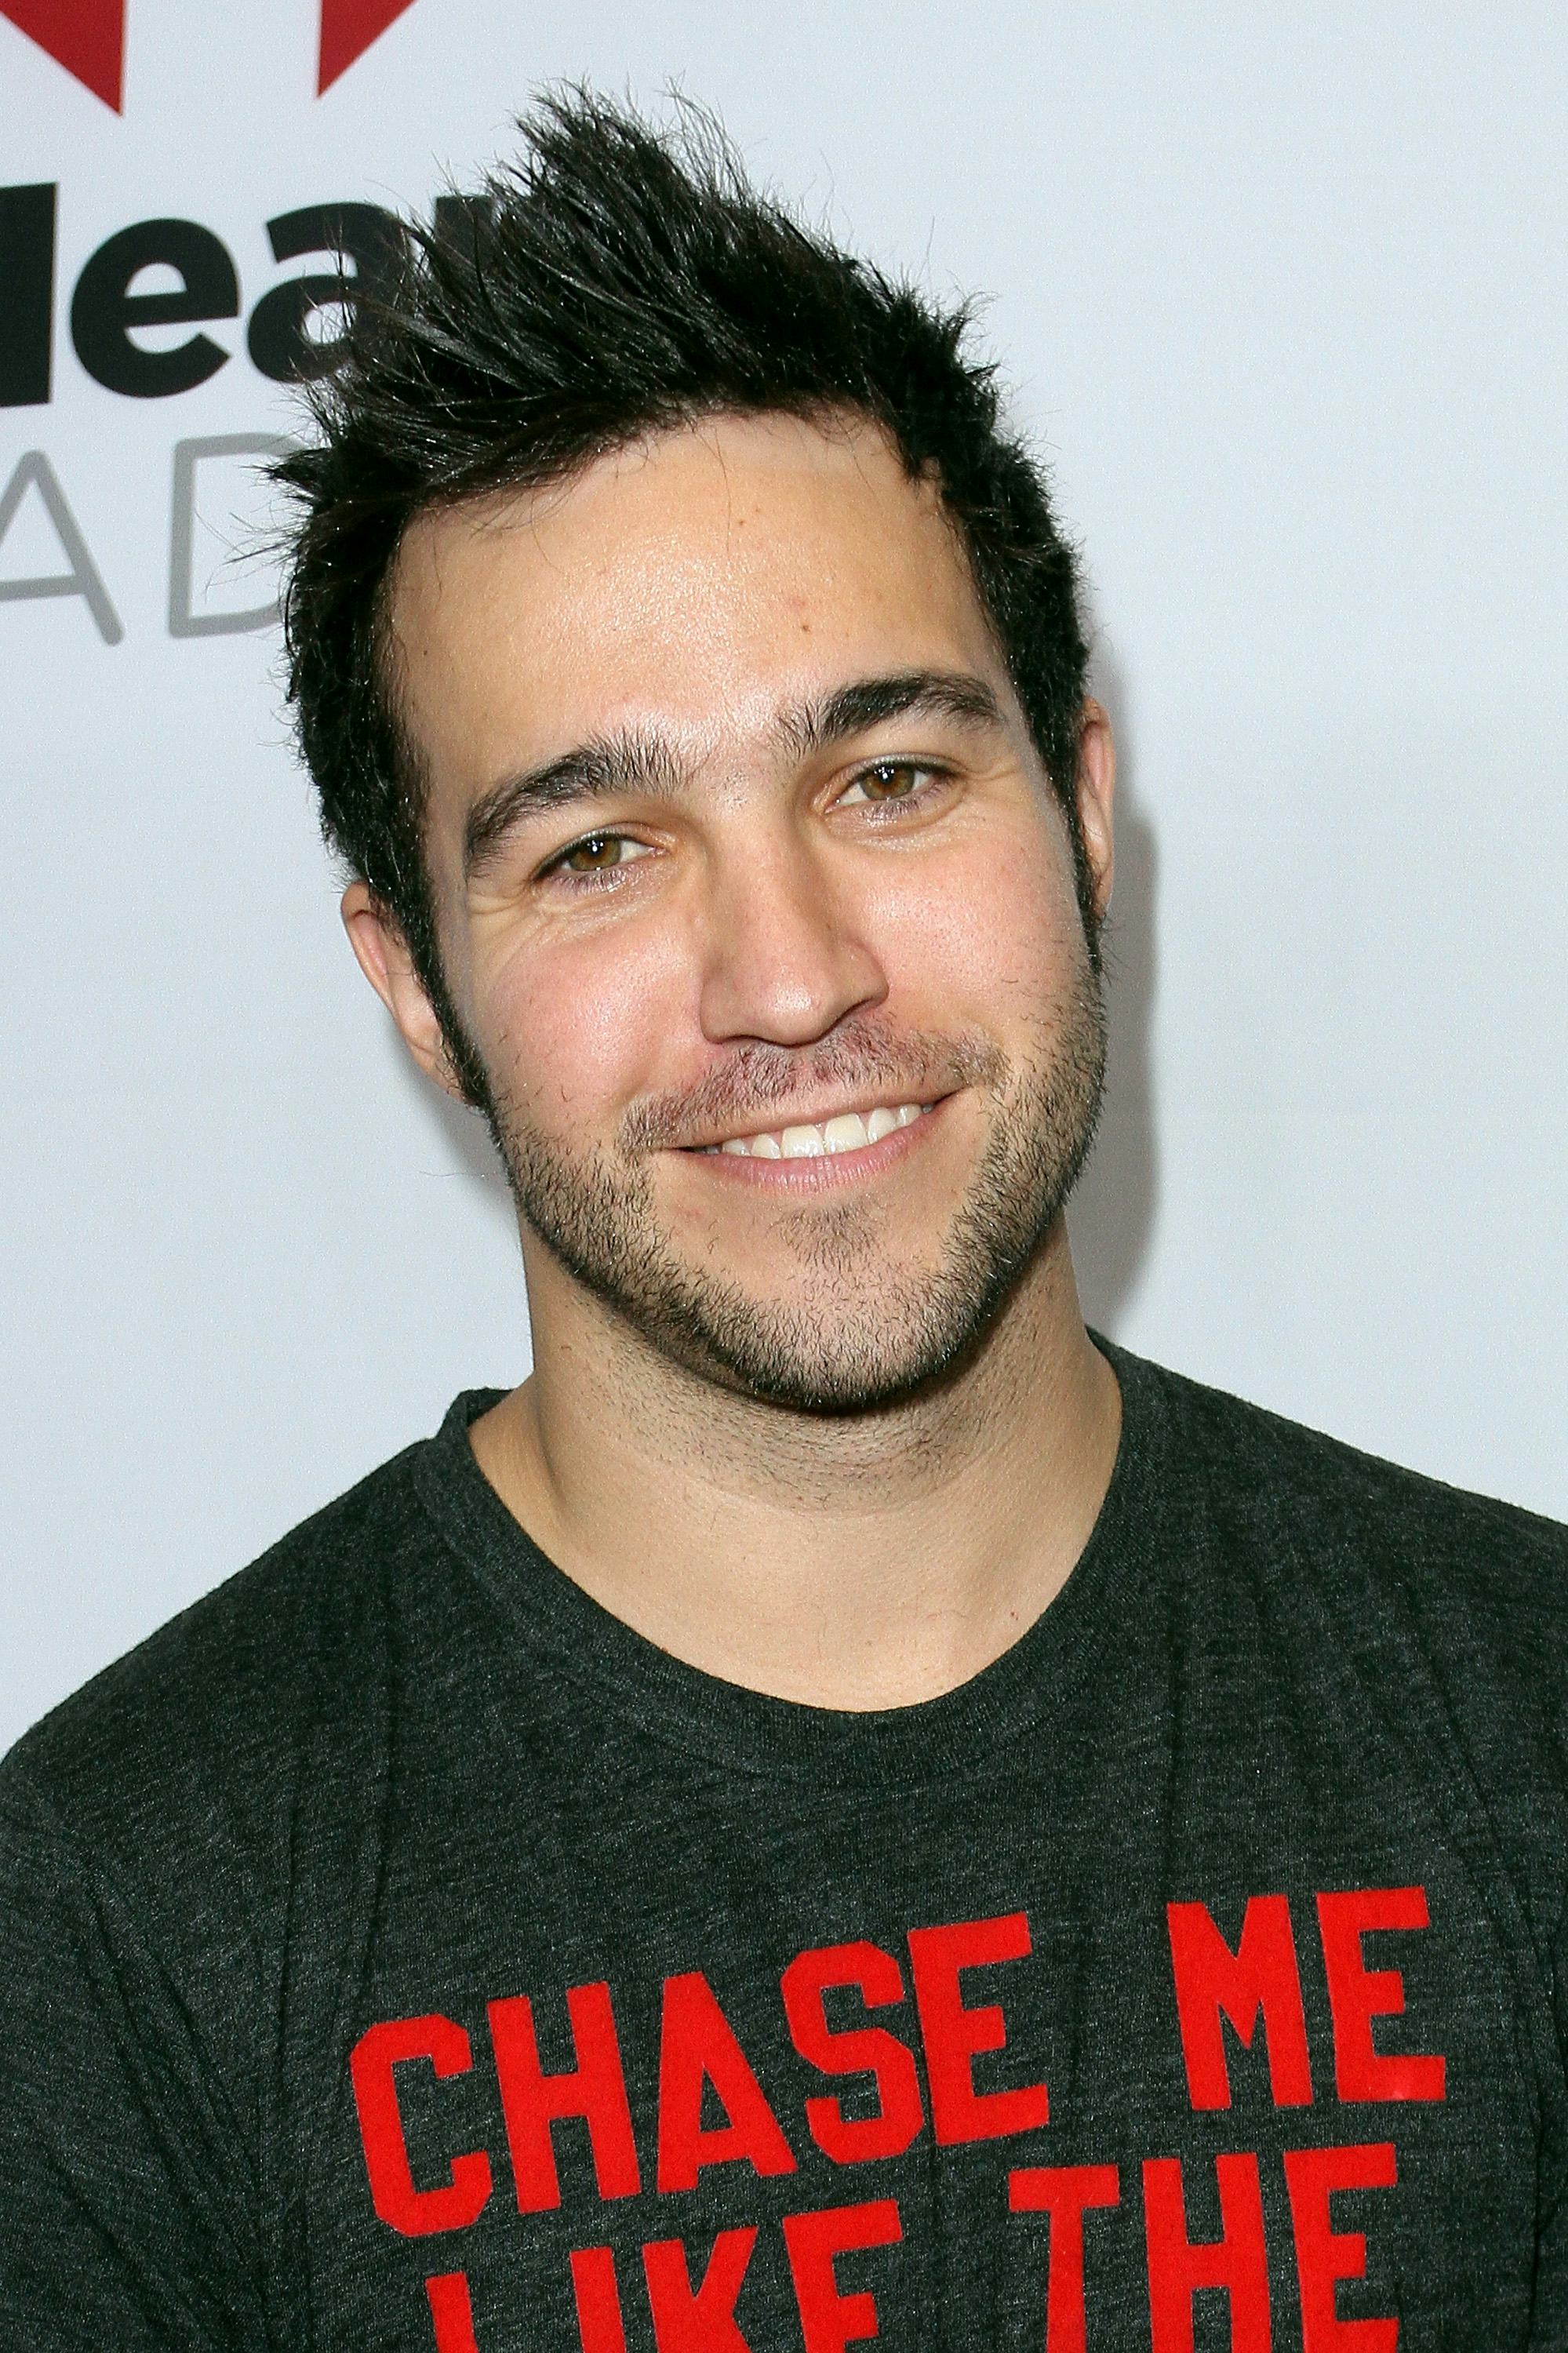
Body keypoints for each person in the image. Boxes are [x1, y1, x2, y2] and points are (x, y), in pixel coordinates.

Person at [1, 89, 1563, 2353]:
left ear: (1084, 807)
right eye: (597, 852)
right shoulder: (110, 1932)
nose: (793, 977)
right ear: (414, 983)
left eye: (891, 778)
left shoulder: (1528, 1734)